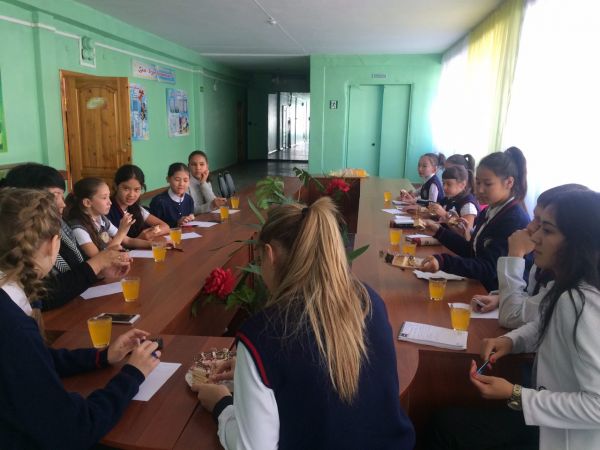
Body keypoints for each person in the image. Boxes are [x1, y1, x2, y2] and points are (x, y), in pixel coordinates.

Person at [192, 197, 415, 450]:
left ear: (270, 255)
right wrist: (249, 372)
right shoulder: (369, 300)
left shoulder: (262, 335)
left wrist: (222, 405)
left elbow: (252, 447)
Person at [0, 188, 160, 449]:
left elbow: (37, 359)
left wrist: (102, 356)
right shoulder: (13, 327)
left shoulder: (12, 304)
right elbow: (74, 429)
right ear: (53, 243)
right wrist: (133, 374)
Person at [467, 190, 600, 449]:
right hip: (546, 415)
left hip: (567, 437)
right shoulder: (567, 285)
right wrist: (512, 341)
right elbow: (546, 324)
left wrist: (516, 395)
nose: (535, 236)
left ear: (579, 242)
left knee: (444, 428)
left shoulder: (580, 301)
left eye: (547, 230)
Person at [2, 163, 131, 311]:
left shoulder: (61, 226)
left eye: (62, 195)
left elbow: (79, 270)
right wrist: (98, 263)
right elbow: (40, 296)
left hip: (77, 306)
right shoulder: (17, 241)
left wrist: (100, 271)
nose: (62, 204)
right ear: (27, 199)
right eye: (54, 196)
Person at [472, 184, 590, 329]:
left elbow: (511, 316)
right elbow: (534, 304)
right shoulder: (546, 261)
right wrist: (500, 298)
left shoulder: (574, 291)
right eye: (534, 218)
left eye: (546, 227)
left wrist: (515, 255)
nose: (530, 227)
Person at [420, 147, 530, 291]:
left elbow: (488, 268)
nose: (480, 189)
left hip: (493, 293)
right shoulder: (489, 211)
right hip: (479, 286)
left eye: (488, 184)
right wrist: (439, 231)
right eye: (478, 183)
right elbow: (472, 251)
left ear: (509, 182)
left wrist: (444, 262)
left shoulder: (513, 219)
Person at [66, 178, 151, 258]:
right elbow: (98, 259)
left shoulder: (101, 219)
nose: (110, 202)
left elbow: (127, 241)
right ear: (87, 202)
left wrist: (153, 245)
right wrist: (121, 232)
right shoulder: (78, 229)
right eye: (104, 198)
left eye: (109, 196)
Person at [108, 164, 169, 239]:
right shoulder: (107, 210)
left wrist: (149, 234)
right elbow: (115, 243)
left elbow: (165, 227)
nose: (131, 195)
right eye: (126, 189)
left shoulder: (136, 208)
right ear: (115, 186)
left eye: (136, 189)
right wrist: (140, 238)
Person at [428, 165, 480, 231]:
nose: (444, 187)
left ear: (462, 185)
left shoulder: (468, 205)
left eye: (449, 184)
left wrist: (445, 214)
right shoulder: (449, 197)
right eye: (443, 183)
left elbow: (466, 233)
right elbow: (437, 216)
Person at [149, 162, 195, 227]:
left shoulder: (189, 199)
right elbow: (154, 227)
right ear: (168, 179)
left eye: (185, 180)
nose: (181, 184)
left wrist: (190, 219)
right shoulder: (159, 201)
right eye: (177, 180)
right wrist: (176, 223)